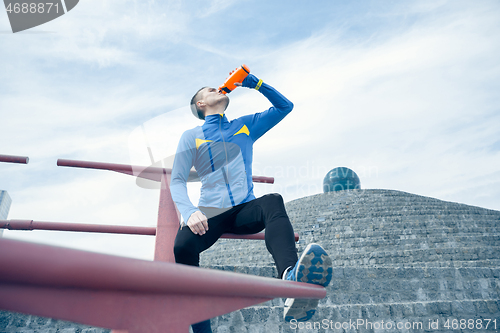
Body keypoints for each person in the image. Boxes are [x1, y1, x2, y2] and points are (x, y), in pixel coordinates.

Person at [170, 71, 332, 333]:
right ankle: (201, 329)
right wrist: (189, 212)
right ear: (201, 104)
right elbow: (177, 180)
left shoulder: (245, 125)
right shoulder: (191, 136)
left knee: (273, 200)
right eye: (211, 90)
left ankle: (289, 278)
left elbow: (284, 107)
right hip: (211, 213)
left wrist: (255, 83)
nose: (218, 90)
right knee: (182, 245)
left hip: (245, 210)